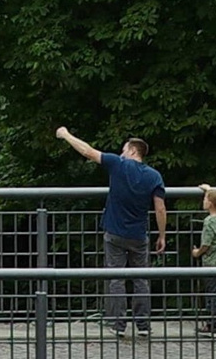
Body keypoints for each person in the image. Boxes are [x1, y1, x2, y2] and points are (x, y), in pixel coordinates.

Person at [56, 126, 167, 337]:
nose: (121, 153)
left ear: (133, 151)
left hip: (114, 233)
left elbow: (87, 151)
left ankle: (119, 325)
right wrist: (161, 235)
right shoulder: (154, 176)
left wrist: (66, 135)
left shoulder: (118, 164)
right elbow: (160, 208)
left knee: (116, 278)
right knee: (141, 279)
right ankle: (143, 325)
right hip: (139, 235)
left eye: (124, 149)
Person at [192, 184, 216, 336]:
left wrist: (197, 253)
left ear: (210, 203)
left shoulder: (209, 222)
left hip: (212, 263)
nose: (203, 201)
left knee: (213, 294)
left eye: (205, 199)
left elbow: (205, 245)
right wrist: (209, 190)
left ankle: (213, 326)